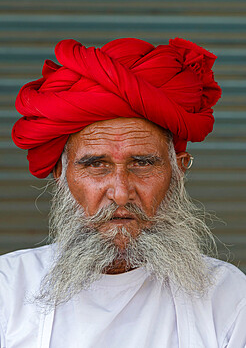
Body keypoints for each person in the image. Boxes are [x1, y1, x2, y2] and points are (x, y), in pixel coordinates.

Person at [0, 37, 245, 348]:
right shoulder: (7, 290)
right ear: (60, 174)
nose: (120, 193)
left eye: (142, 163)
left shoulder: (227, 299)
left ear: (178, 170)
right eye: (96, 165)